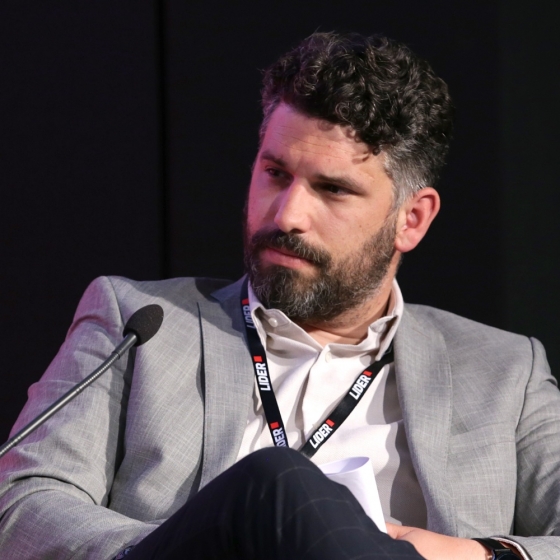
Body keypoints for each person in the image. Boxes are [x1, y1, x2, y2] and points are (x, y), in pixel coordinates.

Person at [0, 31, 559, 560]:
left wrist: (478, 553)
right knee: (274, 482)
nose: (288, 214)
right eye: (275, 173)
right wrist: (202, 543)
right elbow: (22, 502)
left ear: (410, 220)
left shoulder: (505, 373)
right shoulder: (140, 324)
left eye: (332, 189)